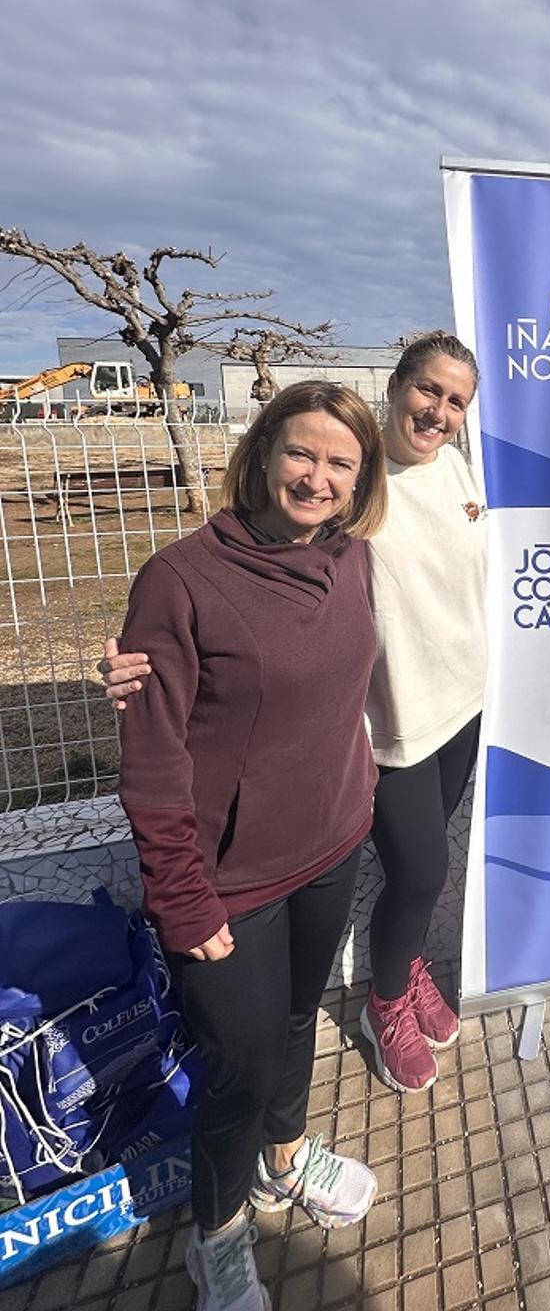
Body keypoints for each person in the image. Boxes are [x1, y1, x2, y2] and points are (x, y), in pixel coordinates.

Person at [101, 332, 487, 1097]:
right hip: (391, 722)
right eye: (428, 390)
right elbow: (256, 581)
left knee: (425, 865)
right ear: (396, 385)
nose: (438, 411)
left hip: (461, 701)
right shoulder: (353, 483)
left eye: (456, 401)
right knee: (422, 871)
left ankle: (406, 966)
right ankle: (384, 1003)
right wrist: (138, 664)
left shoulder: (457, 472)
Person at [116, 381, 388, 1311]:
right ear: (264, 451)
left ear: (360, 482)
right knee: (237, 1064)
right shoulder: (182, 579)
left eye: (341, 463)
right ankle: (218, 1233)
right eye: (303, 453)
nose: (318, 477)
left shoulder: (350, 560)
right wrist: (180, 896)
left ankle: (284, 1159)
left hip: (333, 843)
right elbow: (153, 761)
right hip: (228, 882)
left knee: (295, 1023)